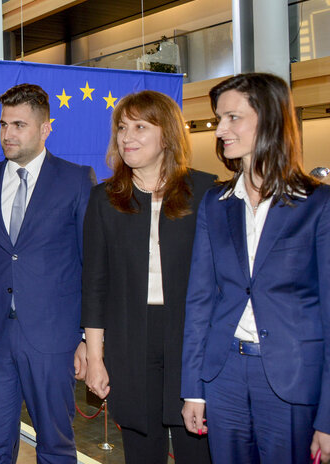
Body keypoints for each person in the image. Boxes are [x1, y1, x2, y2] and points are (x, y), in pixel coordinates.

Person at [180, 72, 330, 464]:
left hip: (291, 377)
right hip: (223, 372)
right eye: (218, 119)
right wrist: (193, 388)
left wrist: (328, 417)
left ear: (269, 119)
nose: (220, 130)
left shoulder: (318, 205)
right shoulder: (215, 201)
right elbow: (200, 299)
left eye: (232, 118)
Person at [0, 83, 94, 463]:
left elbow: (91, 263)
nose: (8, 134)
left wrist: (86, 337)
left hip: (53, 337)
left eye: (19, 125)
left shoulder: (76, 180)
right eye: (4, 124)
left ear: (46, 129)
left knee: (55, 446)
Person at [81, 90, 214, 464]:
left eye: (140, 126)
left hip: (191, 340)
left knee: (197, 447)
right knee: (141, 449)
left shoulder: (206, 191)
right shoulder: (104, 199)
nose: (127, 137)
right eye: (122, 127)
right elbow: (94, 285)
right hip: (129, 340)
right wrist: (94, 357)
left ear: (167, 135)